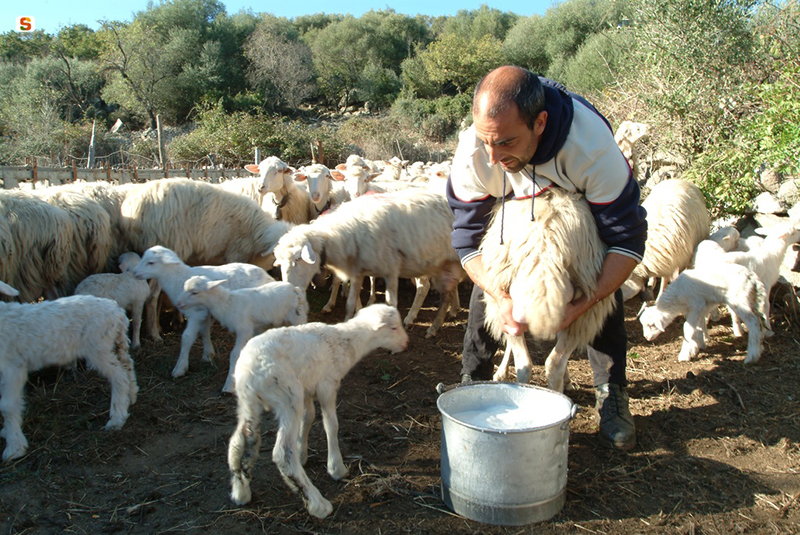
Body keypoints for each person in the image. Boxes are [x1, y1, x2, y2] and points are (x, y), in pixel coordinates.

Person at [445, 66, 647, 451]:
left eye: (505, 142)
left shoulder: (591, 148)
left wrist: (583, 302)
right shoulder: (477, 152)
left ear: (540, 123)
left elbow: (627, 241)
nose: (493, 155)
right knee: (494, 272)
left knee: (598, 275)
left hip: (579, 208)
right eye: (486, 141)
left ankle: (611, 392)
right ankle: (473, 381)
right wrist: (501, 295)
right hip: (508, 210)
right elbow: (468, 240)